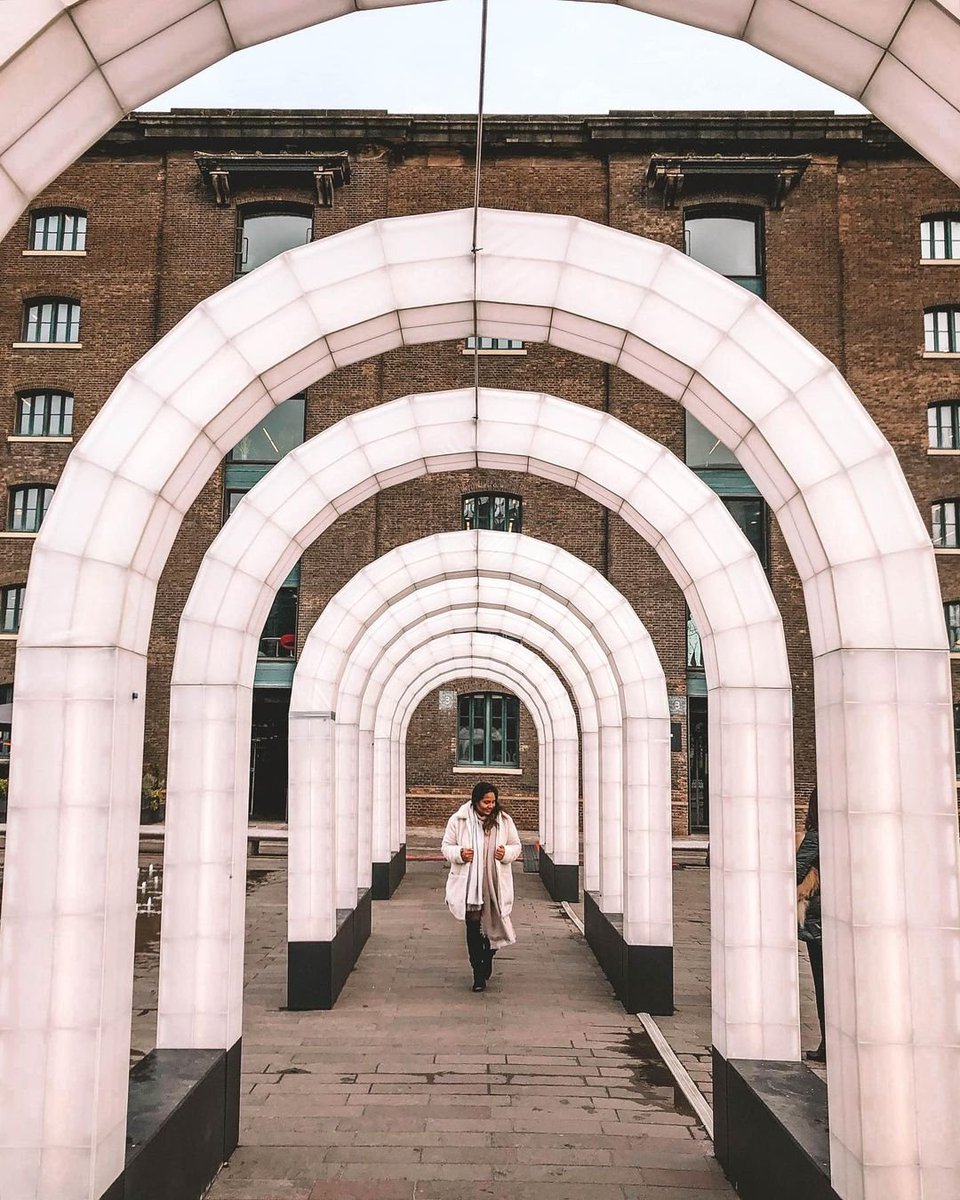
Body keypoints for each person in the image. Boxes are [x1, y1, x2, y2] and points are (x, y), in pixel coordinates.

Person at [441, 781, 523, 992]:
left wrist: (506, 853)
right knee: (473, 926)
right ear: (475, 800)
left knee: (495, 926)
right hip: (470, 885)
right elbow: (446, 846)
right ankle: (477, 971)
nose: (489, 806)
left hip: (494, 883)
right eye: (486, 802)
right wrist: (460, 853)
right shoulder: (459, 820)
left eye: (493, 802)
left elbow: (516, 846)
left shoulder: (503, 821)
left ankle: (487, 954)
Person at [797, 786, 825, 1062]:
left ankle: (828, 1043)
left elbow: (796, 869)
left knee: (823, 983)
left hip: (820, 921)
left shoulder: (816, 836)